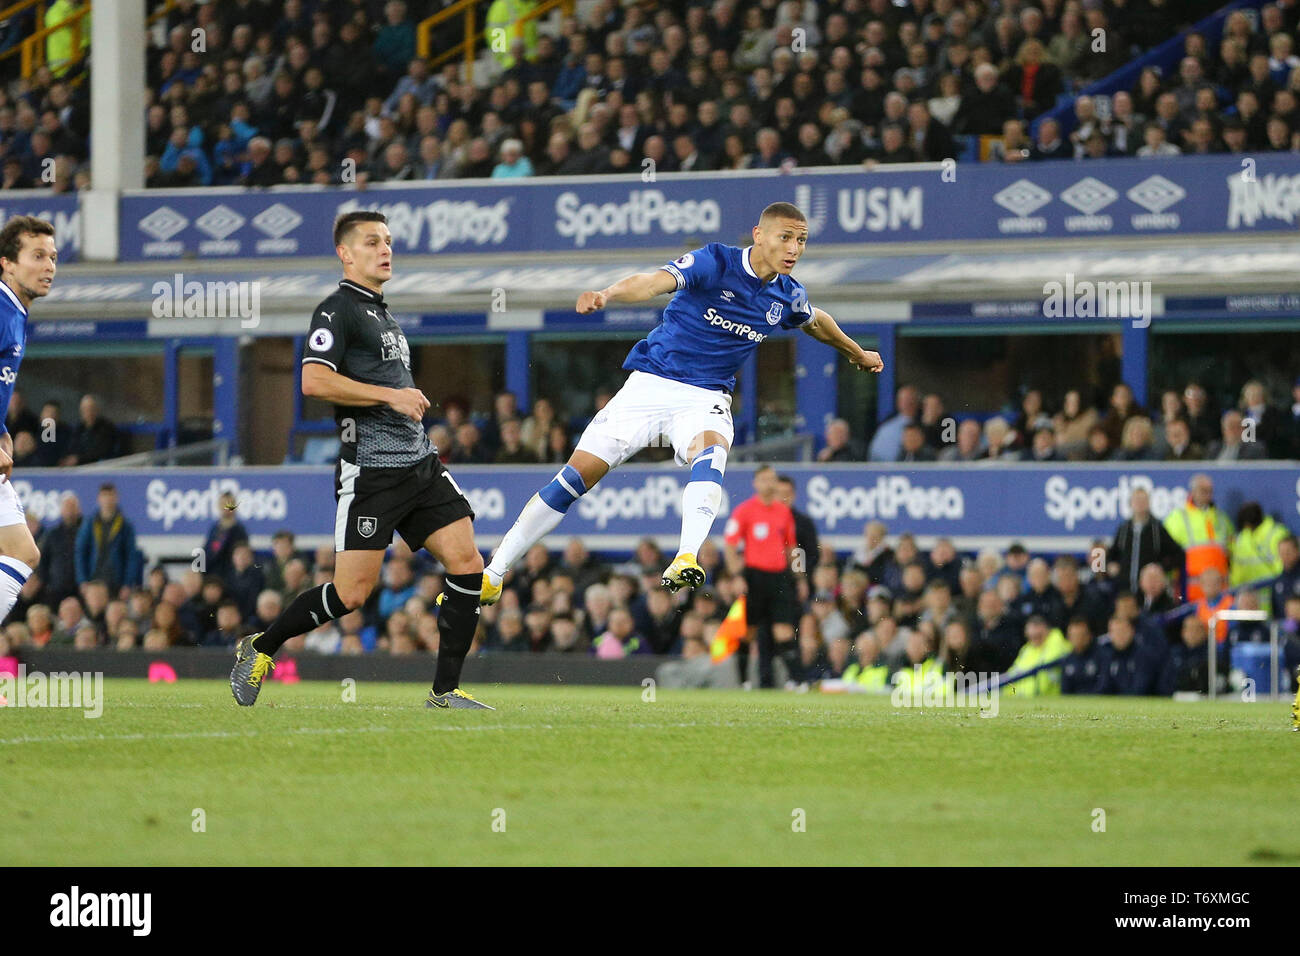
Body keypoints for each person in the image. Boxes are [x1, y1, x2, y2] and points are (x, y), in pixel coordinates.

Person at [480, 202, 883, 602]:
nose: (794, 248)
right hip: (650, 385)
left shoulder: (786, 295)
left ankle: (686, 556)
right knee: (573, 480)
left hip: (706, 397)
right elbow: (653, 281)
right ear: (759, 235)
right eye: (786, 237)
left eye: (801, 240)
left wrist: (856, 353)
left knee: (713, 452)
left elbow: (816, 321)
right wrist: (608, 294)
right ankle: (494, 573)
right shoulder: (715, 262)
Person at [231, 211, 491, 710]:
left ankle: (445, 690)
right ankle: (260, 648)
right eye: (372, 242)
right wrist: (391, 397)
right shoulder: (336, 311)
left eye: (389, 240)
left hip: (420, 465)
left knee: (467, 561)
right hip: (371, 474)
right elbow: (313, 381)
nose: (385, 249)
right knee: (352, 594)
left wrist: (401, 401)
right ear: (345, 254)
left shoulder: (383, 313)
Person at [0, 217, 55, 626]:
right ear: (7, 263)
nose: (49, 265)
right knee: (21, 552)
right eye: (37, 256)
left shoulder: (14, 312)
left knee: (23, 552)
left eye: (53, 256)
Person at [724, 464, 799, 688]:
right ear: (755, 483)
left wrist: (798, 576)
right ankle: (744, 681)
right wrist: (737, 575)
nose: (769, 484)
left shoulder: (783, 512)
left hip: (778, 576)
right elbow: (730, 545)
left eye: (772, 479)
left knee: (784, 631)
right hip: (753, 576)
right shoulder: (744, 511)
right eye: (764, 479)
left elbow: (790, 547)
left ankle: (793, 681)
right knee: (748, 632)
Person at [1163, 473, 1233, 602]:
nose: (1208, 494)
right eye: (1203, 490)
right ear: (1193, 492)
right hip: (1189, 590)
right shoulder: (1177, 518)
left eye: (1210, 491)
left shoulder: (1222, 519)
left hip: (1220, 591)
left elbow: (1231, 551)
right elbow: (1166, 554)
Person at [1109, 486, 1185, 595]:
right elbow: (1111, 554)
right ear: (1131, 503)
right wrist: (1111, 566)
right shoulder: (1123, 529)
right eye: (1137, 500)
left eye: (1143, 500)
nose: (1140, 504)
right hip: (1125, 592)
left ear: (1149, 503)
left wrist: (1161, 568)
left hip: (1150, 592)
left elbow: (1179, 555)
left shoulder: (1157, 529)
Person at [74, 483, 141, 597]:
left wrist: (127, 584)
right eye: (105, 496)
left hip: (116, 582)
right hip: (94, 580)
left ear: (116, 498)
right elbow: (80, 551)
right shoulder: (90, 524)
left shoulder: (125, 525)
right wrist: (82, 580)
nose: (108, 500)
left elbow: (131, 556)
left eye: (111, 496)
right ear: (99, 499)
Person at [203, 491, 249, 581]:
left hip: (231, 579)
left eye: (229, 504)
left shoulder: (239, 531)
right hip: (211, 576)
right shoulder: (215, 529)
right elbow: (207, 552)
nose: (226, 508)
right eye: (223, 504)